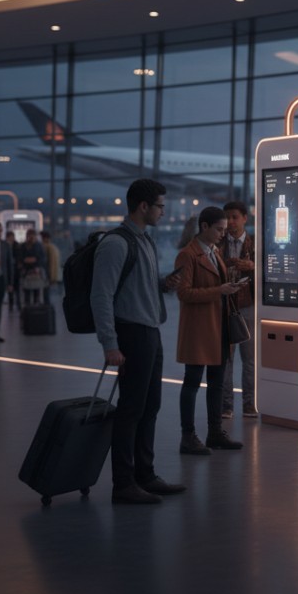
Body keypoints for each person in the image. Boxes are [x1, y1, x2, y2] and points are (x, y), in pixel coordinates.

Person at [91, 178, 186, 505]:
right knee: (131, 410)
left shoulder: (144, 241)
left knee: (150, 407)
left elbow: (136, 286)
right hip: (131, 333)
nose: (163, 210)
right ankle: (124, 483)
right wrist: (109, 343)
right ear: (143, 206)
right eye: (160, 205)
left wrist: (163, 284)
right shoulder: (116, 244)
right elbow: (100, 296)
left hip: (150, 331)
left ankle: (145, 475)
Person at [175, 205, 246, 456]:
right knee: (192, 381)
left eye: (225, 230)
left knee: (216, 382)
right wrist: (220, 291)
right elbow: (183, 293)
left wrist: (228, 287)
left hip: (218, 326)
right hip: (199, 329)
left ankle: (214, 432)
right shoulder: (188, 255)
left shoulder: (215, 252)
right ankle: (188, 435)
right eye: (219, 229)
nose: (223, 234)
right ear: (204, 227)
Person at [219, 201, 257, 418]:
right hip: (225, 305)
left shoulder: (255, 244)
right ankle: (227, 405)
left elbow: (272, 269)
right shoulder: (219, 243)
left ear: (245, 218)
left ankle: (249, 403)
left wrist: (253, 267)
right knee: (227, 359)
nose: (230, 222)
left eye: (234, 217)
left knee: (249, 358)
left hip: (247, 304)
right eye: (227, 218)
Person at [17, 230, 47, 307]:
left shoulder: (39, 246)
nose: (31, 238)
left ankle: (34, 311)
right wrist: (25, 260)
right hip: (27, 272)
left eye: (32, 236)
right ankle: (28, 311)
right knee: (26, 294)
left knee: (36, 294)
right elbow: (19, 257)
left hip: (36, 272)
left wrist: (35, 261)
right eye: (29, 236)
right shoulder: (23, 246)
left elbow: (43, 258)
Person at [41, 231, 62, 304]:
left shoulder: (47, 247)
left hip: (47, 274)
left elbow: (51, 263)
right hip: (51, 274)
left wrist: (52, 277)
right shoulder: (53, 247)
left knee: (45, 295)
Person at [5, 231, 19, 313]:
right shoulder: (6, 246)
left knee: (16, 289)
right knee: (10, 289)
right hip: (9, 270)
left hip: (15, 271)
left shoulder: (16, 246)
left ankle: (18, 305)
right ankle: (11, 305)